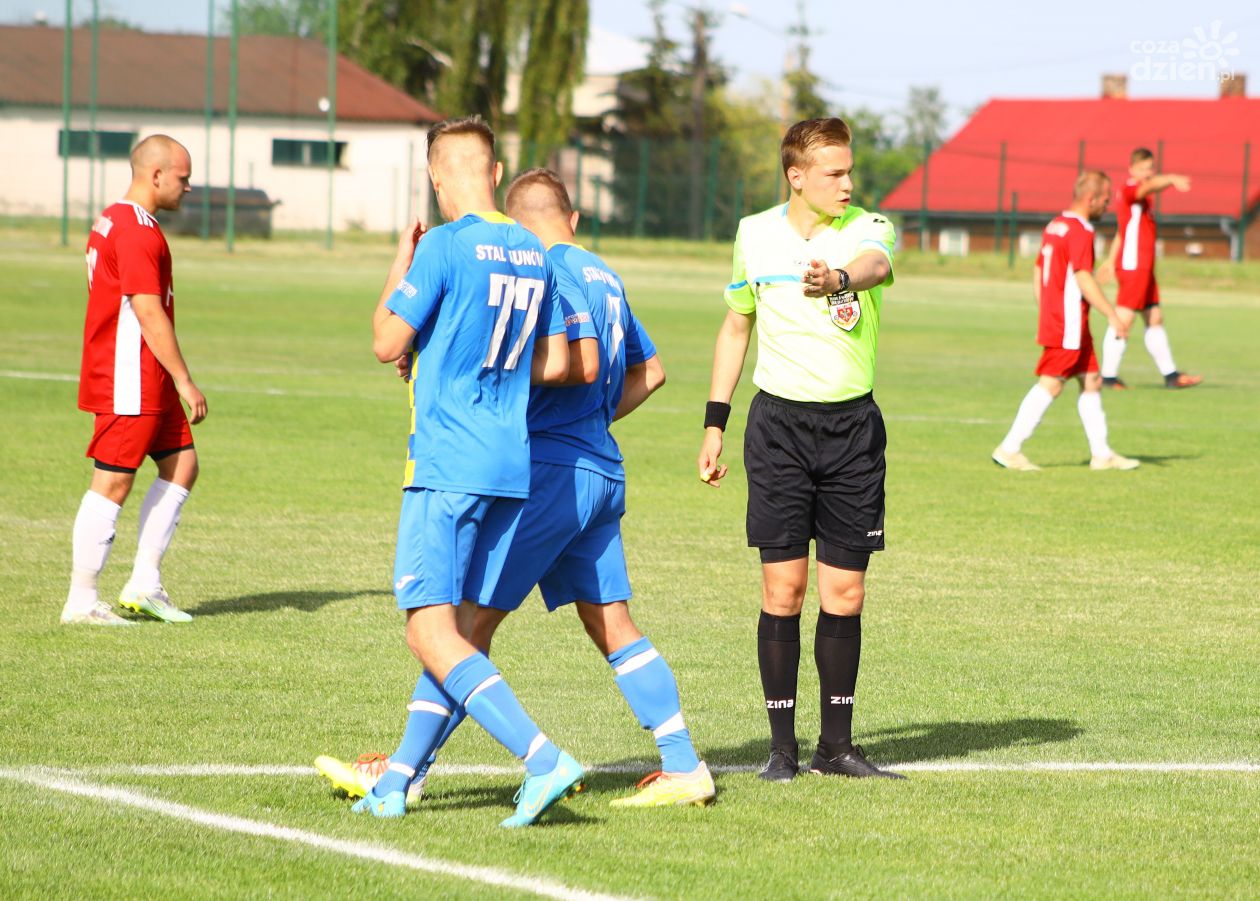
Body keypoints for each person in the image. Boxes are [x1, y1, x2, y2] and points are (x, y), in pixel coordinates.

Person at [317, 169, 714, 809]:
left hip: (550, 474)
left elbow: (578, 361)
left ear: (518, 225)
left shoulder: (547, 267)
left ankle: (403, 773)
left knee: (463, 626)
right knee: (611, 622)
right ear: (571, 217)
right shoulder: (606, 274)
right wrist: (594, 423)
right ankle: (683, 764)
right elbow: (654, 371)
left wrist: (476, 372)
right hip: (600, 470)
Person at [357, 117, 591, 828]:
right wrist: (480, 355)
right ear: (494, 173)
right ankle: (397, 781)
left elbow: (385, 340)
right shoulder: (532, 249)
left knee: (428, 633)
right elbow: (557, 360)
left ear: (436, 177)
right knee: (458, 632)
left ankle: (542, 758)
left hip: (447, 462)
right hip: (508, 463)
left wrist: (402, 262)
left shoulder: (442, 246)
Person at [696, 117, 904, 781]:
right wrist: (714, 422)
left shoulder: (869, 227)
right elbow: (736, 326)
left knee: (845, 592)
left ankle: (836, 748)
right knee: (783, 589)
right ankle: (781, 751)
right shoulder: (754, 235)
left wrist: (838, 277)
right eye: (833, 173)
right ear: (796, 175)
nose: (847, 184)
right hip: (779, 429)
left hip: (853, 432)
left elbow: (875, 266)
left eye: (849, 171)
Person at [61, 134, 206, 626]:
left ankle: (144, 584)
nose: (188, 187)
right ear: (156, 174)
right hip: (130, 377)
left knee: (182, 465)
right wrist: (184, 379)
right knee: (113, 482)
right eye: (183, 177)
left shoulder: (115, 217)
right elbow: (147, 310)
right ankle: (82, 601)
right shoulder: (137, 231)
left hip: (146, 375)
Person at [992, 171, 1140, 472]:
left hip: (1066, 319)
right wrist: (1112, 315)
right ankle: (1009, 449)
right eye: (1105, 200)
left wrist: (1045, 307)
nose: (1107, 206)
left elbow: (1038, 270)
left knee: (1091, 380)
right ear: (1091, 199)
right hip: (1068, 322)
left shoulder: (1056, 224)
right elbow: (1083, 277)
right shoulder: (1081, 230)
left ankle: (1102, 454)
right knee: (1051, 384)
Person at [1098, 148, 1202, 389]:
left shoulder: (1143, 202)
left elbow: (1122, 232)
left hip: (1143, 267)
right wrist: (1171, 178)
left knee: (1154, 317)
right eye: (1143, 169)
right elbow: (1149, 187)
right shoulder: (1131, 189)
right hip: (1134, 266)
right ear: (1131, 169)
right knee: (1124, 318)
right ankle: (1108, 377)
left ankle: (1171, 376)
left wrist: (1110, 261)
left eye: (1150, 168)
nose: (1148, 173)